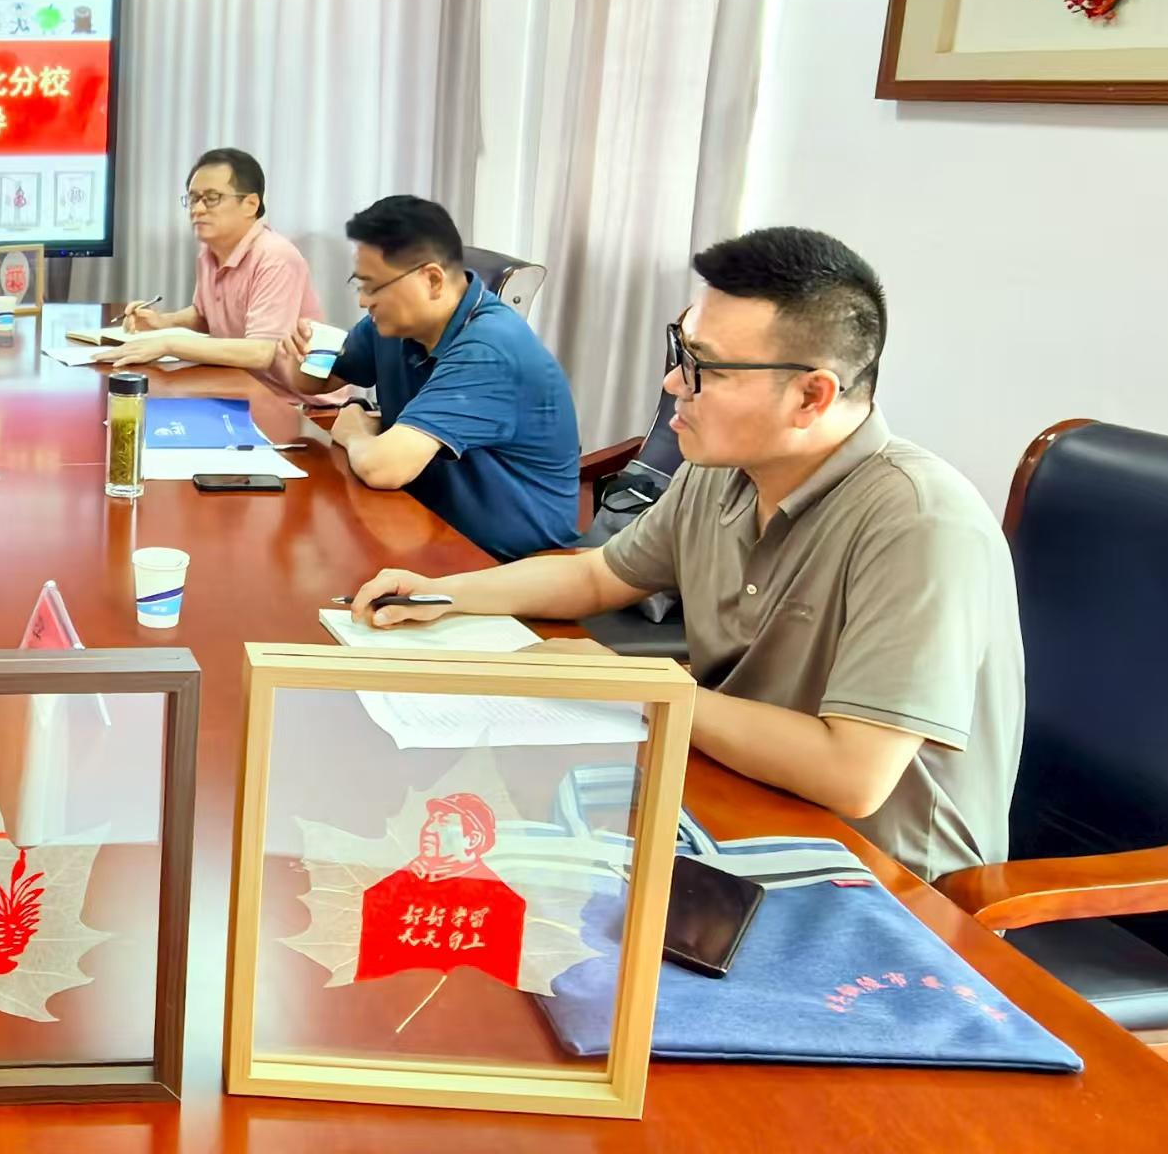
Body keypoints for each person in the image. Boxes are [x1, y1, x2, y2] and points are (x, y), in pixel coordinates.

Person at [349, 227, 1021, 882]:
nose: (674, 383)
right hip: (740, 806)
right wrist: (443, 594)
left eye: (705, 367)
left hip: (885, 881)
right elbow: (600, 574)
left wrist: (640, 685)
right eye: (680, 350)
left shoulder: (919, 523)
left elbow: (852, 774)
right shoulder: (722, 470)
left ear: (811, 395)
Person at [276, 195, 579, 560]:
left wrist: (353, 431)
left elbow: (383, 468)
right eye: (360, 285)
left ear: (433, 280)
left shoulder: (489, 348)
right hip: (418, 523)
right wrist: (302, 356)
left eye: (374, 287)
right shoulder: (396, 326)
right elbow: (321, 381)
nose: (363, 302)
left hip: (502, 562)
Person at [105, 148, 339, 405]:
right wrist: (162, 322)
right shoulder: (209, 253)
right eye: (193, 199)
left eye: (211, 198)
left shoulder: (275, 256)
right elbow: (205, 316)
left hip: (301, 403)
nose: (197, 209)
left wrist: (168, 344)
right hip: (243, 385)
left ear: (250, 204)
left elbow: (262, 351)